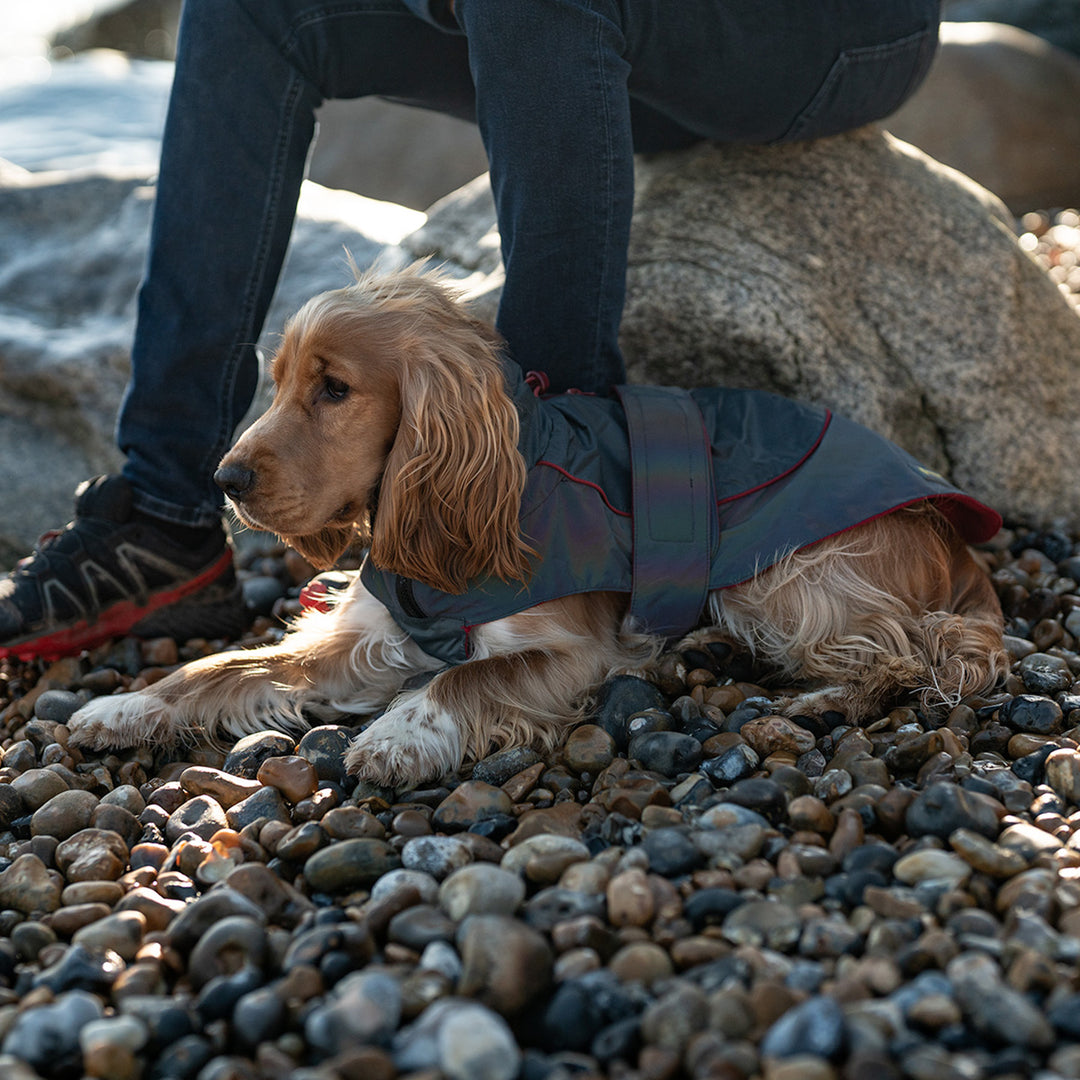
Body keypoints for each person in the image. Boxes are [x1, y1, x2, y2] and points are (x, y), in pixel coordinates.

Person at [0, 0, 943, 660]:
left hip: (821, 31)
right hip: (589, 39)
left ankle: (553, 518)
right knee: (255, 3)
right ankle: (164, 515)